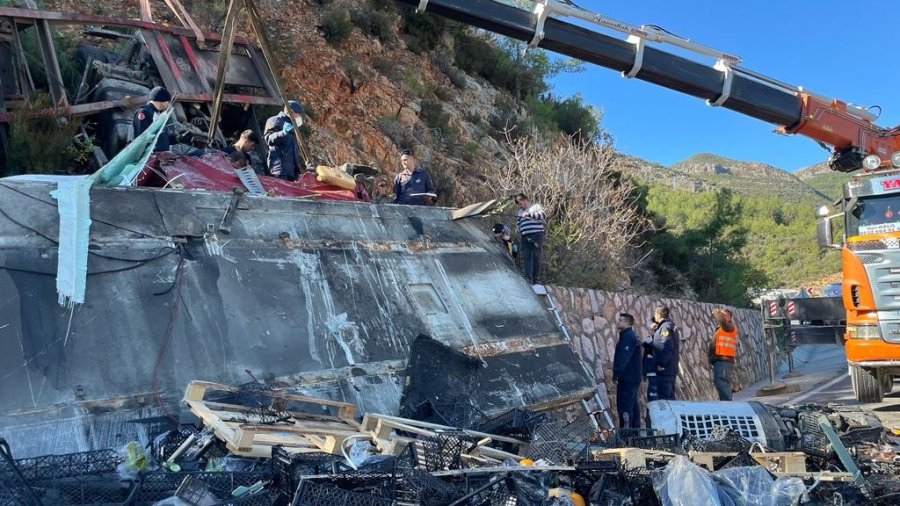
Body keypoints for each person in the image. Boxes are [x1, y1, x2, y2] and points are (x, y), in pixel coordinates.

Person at [264, 100, 307, 181]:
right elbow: (269, 139)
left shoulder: (292, 126)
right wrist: (283, 133)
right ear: (291, 112)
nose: (299, 117)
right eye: (298, 114)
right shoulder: (275, 120)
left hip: (292, 171)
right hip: (280, 169)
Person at [613, 313, 642, 428]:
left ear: (627, 323)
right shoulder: (628, 335)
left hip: (628, 379)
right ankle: (634, 434)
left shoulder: (628, 337)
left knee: (625, 407)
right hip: (632, 378)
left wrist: (616, 374)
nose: (618, 322)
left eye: (620, 320)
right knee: (632, 406)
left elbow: (623, 357)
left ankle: (626, 435)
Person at [514, 193, 547, 285]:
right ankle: (527, 279)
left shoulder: (535, 206)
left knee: (536, 256)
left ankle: (536, 279)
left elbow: (543, 215)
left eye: (521, 203)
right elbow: (518, 222)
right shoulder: (519, 212)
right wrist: (518, 228)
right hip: (525, 236)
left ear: (525, 200)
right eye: (518, 205)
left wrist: (529, 214)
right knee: (526, 257)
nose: (520, 206)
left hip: (537, 235)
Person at [649, 306, 680, 401]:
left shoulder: (665, 327)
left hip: (666, 370)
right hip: (669, 369)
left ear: (658, 315)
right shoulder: (668, 326)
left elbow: (666, 346)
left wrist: (661, 364)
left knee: (666, 400)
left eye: (655, 314)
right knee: (668, 398)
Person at [709, 308, 737, 401]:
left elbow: (721, 319)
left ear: (728, 317)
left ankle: (729, 405)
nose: (722, 316)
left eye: (724, 315)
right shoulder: (723, 328)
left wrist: (716, 311)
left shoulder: (729, 326)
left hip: (724, 359)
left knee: (721, 382)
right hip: (721, 359)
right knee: (722, 383)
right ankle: (725, 405)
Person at [133, 86, 172, 152]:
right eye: (168, 101)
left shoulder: (158, 114)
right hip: (150, 158)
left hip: (161, 156)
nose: (168, 104)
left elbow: (162, 138)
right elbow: (141, 139)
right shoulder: (144, 112)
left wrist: (179, 138)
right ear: (162, 101)